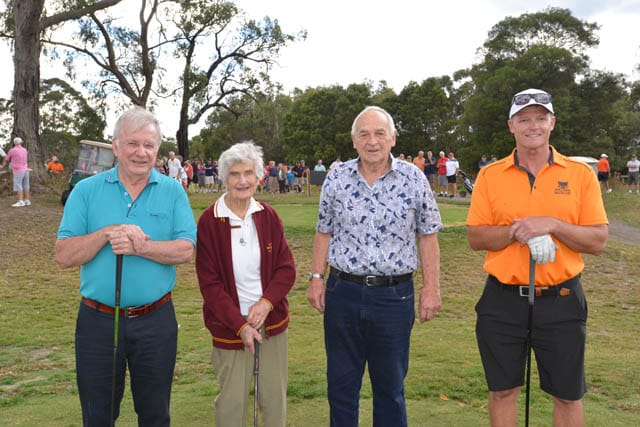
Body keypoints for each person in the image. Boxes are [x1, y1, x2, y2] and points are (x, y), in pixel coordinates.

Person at [466, 88, 608, 427]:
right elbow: (476, 237)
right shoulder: (490, 175)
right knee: (503, 390)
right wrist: (518, 231)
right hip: (502, 300)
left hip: (562, 299)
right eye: (524, 119)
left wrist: (553, 225)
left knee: (567, 394)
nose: (533, 126)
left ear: (552, 123)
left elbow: (598, 240)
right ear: (511, 126)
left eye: (540, 118)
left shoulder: (580, 174)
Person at [54, 107, 197, 426]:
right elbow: (63, 256)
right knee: (98, 416)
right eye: (132, 143)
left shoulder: (173, 191)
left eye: (149, 145)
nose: (140, 152)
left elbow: (186, 249)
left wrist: (141, 247)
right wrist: (106, 233)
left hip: (156, 320)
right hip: (98, 322)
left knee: (155, 414)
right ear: (116, 146)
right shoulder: (86, 191)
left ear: (157, 150)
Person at [307, 106, 443, 427]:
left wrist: (431, 288)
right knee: (341, 387)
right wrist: (316, 278)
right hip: (343, 292)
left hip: (394, 297)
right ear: (354, 140)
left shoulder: (413, 178)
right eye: (364, 134)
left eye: (380, 133)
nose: (372, 141)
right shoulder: (337, 177)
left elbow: (428, 236)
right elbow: (324, 231)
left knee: (390, 389)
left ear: (393, 138)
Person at [195, 141, 296, 427]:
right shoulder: (209, 221)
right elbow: (210, 285)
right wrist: (240, 326)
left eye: (249, 173)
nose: (242, 181)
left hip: (271, 322)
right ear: (224, 178)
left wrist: (266, 303)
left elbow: (286, 269)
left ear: (258, 176)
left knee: (274, 400)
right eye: (235, 174)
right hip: (229, 325)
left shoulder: (268, 215)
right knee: (232, 403)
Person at [0, 137, 31, 207]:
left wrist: (2, 166)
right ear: (21, 142)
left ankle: (20, 201)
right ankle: (27, 200)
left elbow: (6, 159)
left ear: (14, 143)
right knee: (26, 185)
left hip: (18, 170)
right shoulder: (24, 150)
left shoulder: (12, 150)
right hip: (26, 169)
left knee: (18, 185)